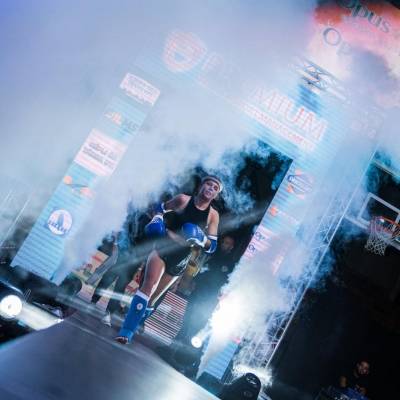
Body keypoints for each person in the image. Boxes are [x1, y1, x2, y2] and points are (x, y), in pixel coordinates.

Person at [115, 175, 222, 344]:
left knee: (152, 300)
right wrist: (157, 218)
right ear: (201, 186)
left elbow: (212, 246)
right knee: (148, 287)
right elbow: (160, 208)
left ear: (216, 195)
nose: (211, 188)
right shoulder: (183, 200)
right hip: (164, 247)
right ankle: (126, 332)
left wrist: (201, 238)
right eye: (209, 184)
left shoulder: (213, 215)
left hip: (181, 257)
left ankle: (135, 321)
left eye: (215, 188)